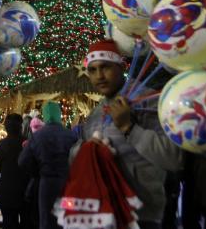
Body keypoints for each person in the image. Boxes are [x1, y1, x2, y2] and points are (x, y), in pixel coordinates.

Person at [73, 40, 181, 229]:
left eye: (105, 67)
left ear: (121, 66)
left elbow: (174, 158)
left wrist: (129, 128)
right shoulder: (96, 113)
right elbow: (77, 156)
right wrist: (84, 149)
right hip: (104, 214)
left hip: (142, 215)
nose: (99, 76)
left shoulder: (148, 102)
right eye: (92, 70)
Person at [19, 102, 77, 229]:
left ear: (45, 115)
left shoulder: (38, 136)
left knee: (47, 221)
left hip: (46, 185)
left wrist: (36, 171)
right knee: (67, 219)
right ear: (59, 114)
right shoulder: (70, 135)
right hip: (67, 186)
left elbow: (23, 161)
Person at [0, 114, 30, 229]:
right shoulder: (27, 143)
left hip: (6, 190)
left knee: (9, 223)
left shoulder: (1, 144)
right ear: (21, 127)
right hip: (24, 190)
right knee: (26, 222)